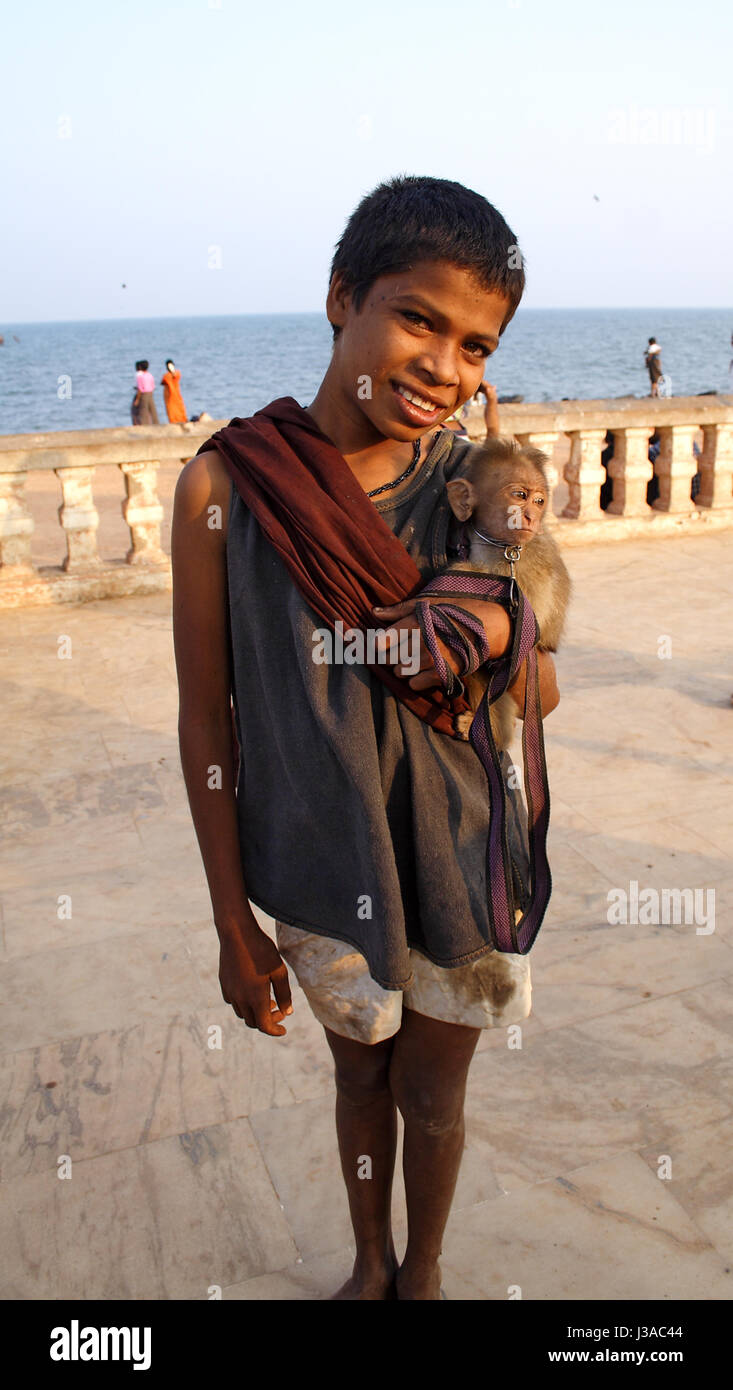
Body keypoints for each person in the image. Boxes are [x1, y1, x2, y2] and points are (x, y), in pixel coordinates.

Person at [171, 175, 560, 1302]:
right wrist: (228, 923)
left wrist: (493, 627)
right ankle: (368, 1261)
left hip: (464, 851)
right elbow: (207, 717)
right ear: (342, 297)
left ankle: (425, 1272)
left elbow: (538, 697)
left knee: (435, 1093)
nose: (446, 366)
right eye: (419, 318)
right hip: (324, 857)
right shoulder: (227, 490)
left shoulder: (480, 492)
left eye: (477, 344)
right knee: (359, 1080)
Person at [132, 359, 159, 425]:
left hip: (144, 394)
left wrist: (137, 400)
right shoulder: (150, 375)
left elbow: (140, 389)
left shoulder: (140, 376)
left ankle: (144, 424)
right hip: (150, 393)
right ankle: (156, 423)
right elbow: (152, 386)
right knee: (152, 409)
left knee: (143, 410)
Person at [161, 358, 188, 423]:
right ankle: (176, 420)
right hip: (170, 394)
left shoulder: (175, 374)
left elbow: (164, 381)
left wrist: (172, 372)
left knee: (177, 408)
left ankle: (181, 419)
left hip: (174, 394)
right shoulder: (167, 375)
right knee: (173, 409)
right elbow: (163, 382)